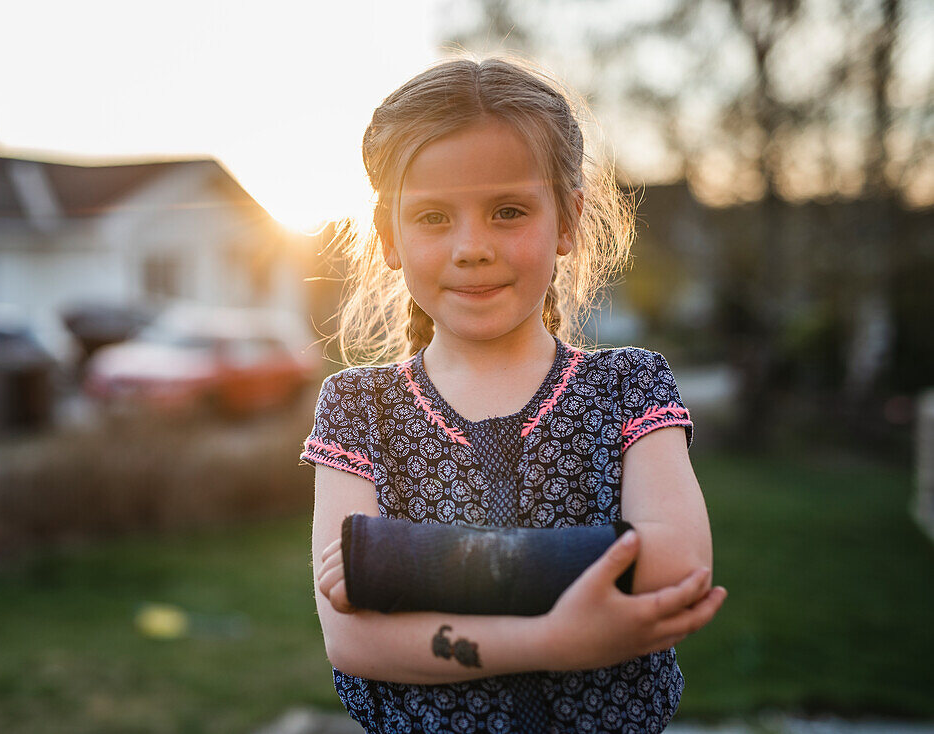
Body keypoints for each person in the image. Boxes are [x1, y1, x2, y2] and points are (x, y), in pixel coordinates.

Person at [301, 54, 727, 733]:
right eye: (434, 217)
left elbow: (675, 567)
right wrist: (553, 640)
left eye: (508, 211)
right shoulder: (359, 410)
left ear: (566, 221)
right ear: (388, 237)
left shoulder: (628, 388)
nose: (472, 247)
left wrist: (401, 563)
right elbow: (354, 641)